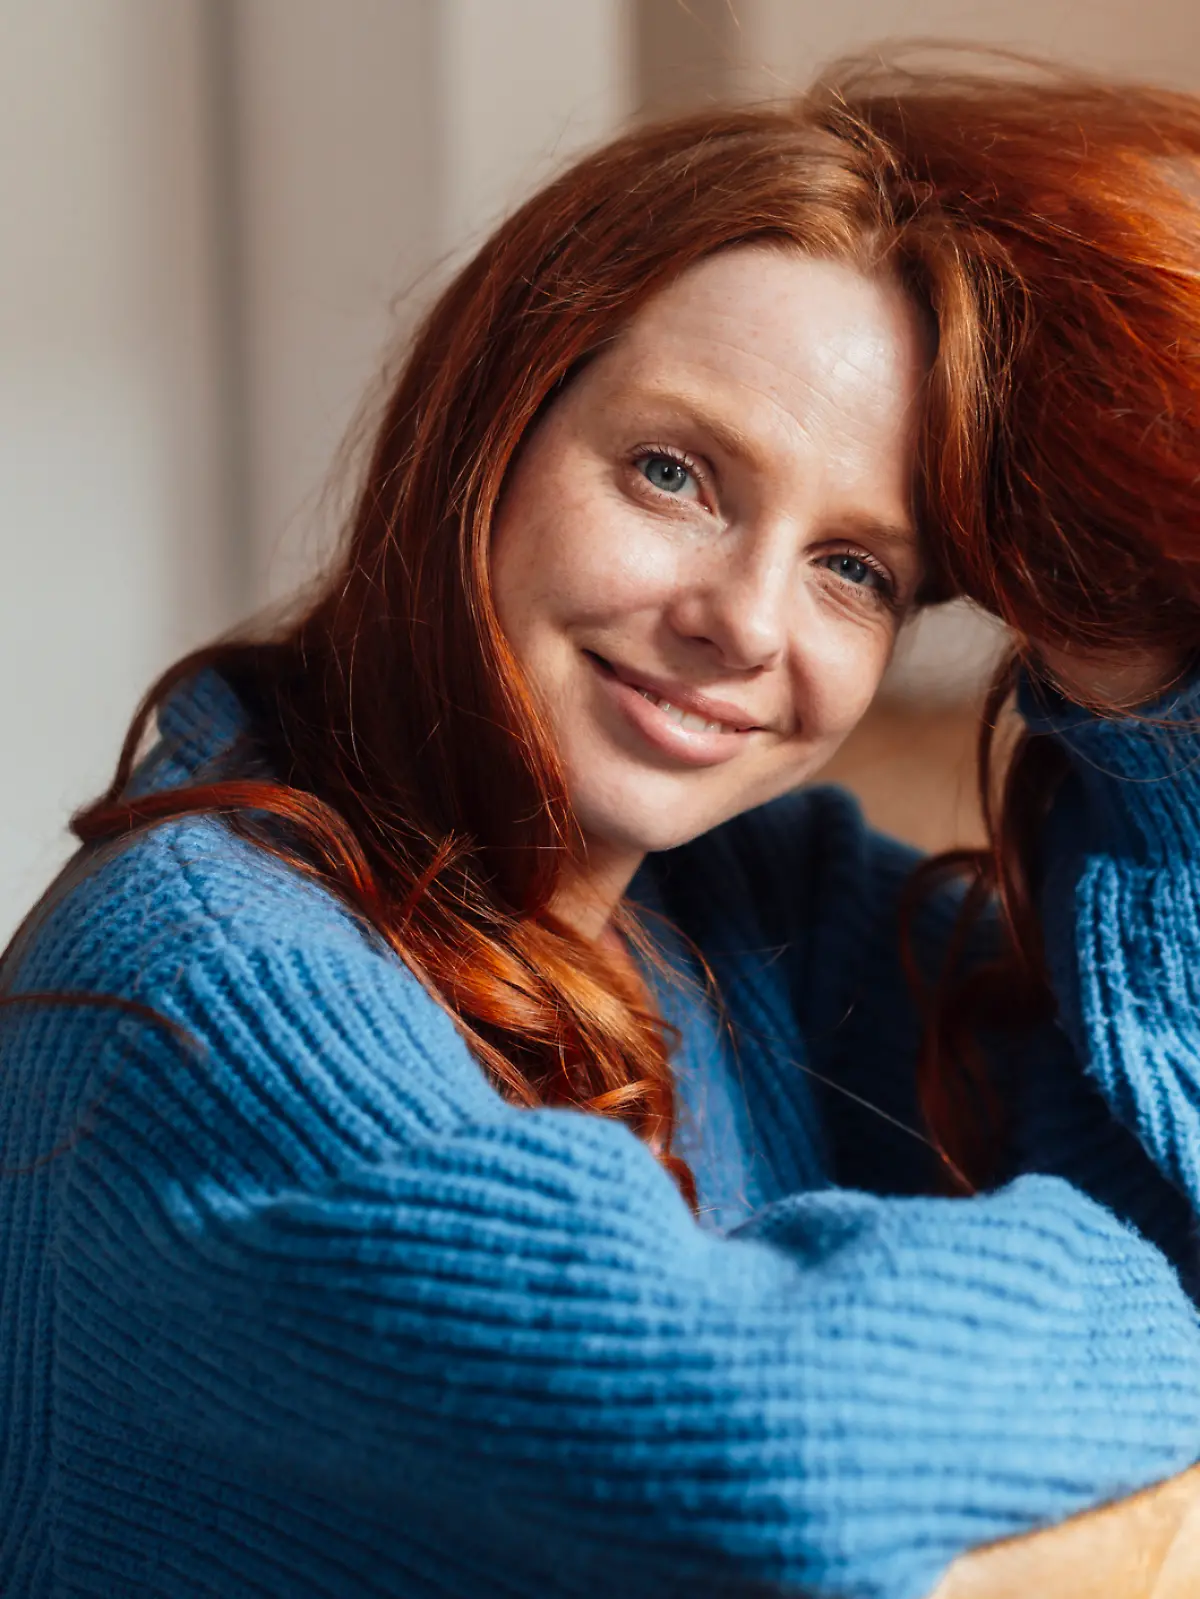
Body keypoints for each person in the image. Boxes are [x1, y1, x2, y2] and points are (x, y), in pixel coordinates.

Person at [4, 54, 1200, 1599]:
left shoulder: (746, 904)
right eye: (675, 473)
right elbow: (768, 1454)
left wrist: (1147, 680)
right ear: (487, 430)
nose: (745, 620)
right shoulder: (188, 994)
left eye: (857, 568)